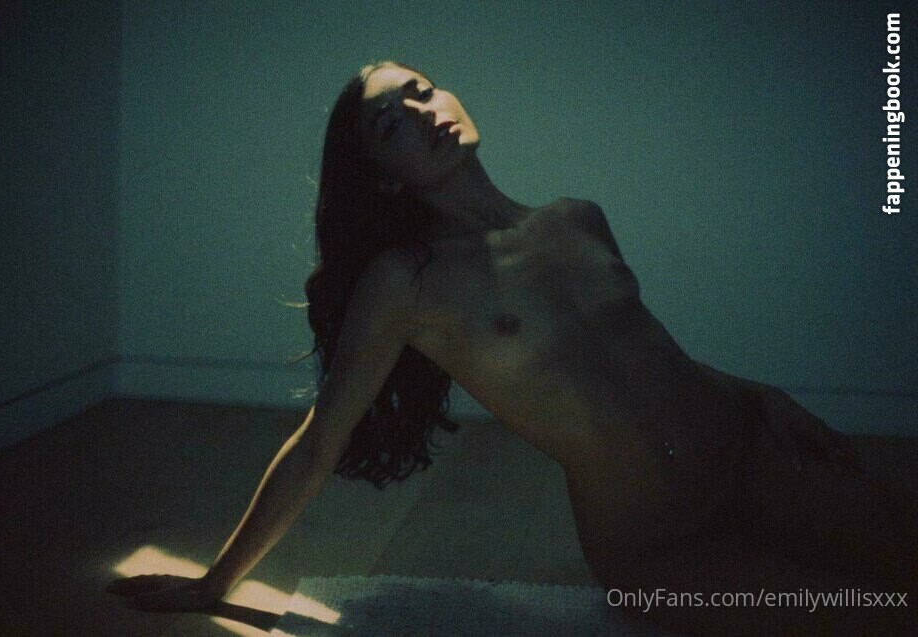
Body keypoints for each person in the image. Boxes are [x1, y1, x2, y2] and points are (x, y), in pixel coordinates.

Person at [108, 61, 918, 635]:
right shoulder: (407, 282)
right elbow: (320, 439)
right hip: (660, 544)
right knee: (867, 615)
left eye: (423, 89)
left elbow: (647, 362)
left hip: (748, 453)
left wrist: (763, 397)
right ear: (384, 175)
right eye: (392, 122)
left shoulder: (578, 218)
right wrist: (215, 581)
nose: (424, 111)